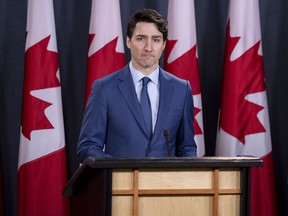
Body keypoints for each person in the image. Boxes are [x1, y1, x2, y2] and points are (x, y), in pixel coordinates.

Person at [77, 8, 197, 163]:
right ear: (128, 41)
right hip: (120, 184)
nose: (148, 47)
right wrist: (119, 169)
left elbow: (187, 147)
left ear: (164, 44)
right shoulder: (104, 89)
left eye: (156, 40)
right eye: (141, 39)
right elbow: (87, 147)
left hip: (166, 185)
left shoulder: (182, 90)